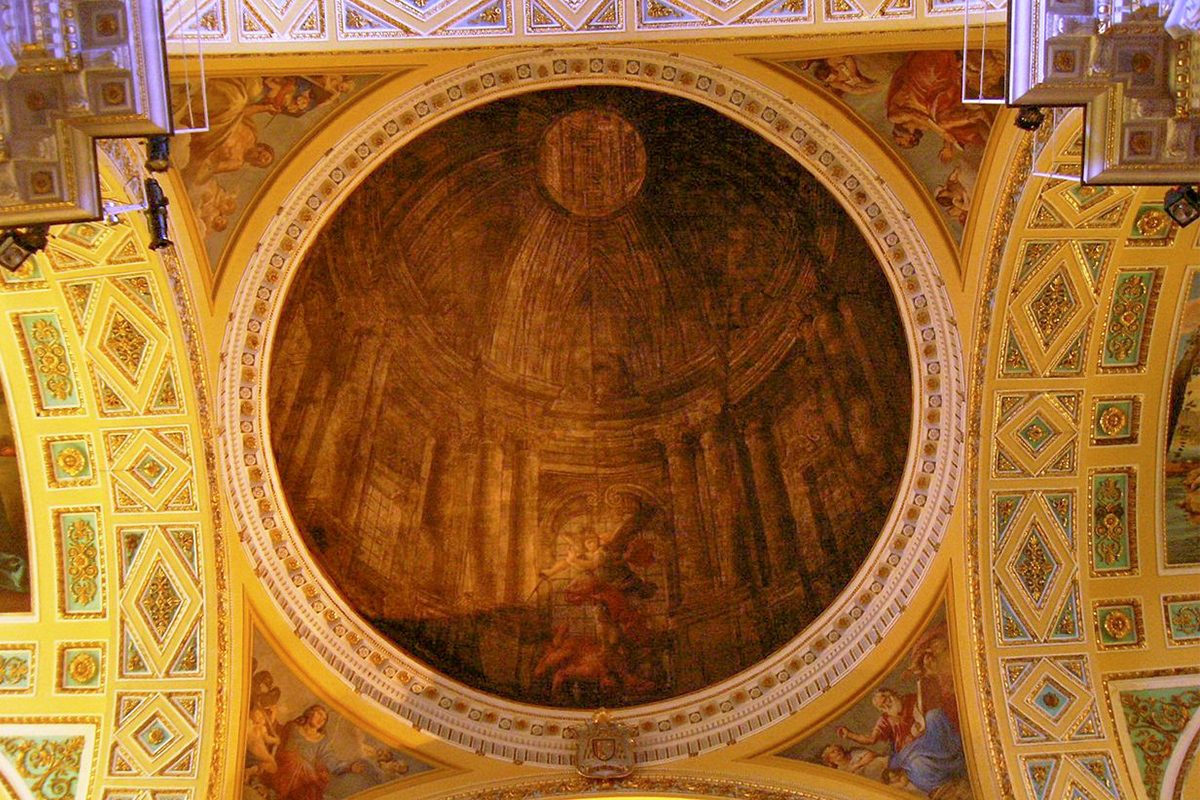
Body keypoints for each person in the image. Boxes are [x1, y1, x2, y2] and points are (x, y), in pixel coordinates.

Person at [271, 705, 365, 800]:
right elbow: (277, 734)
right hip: (283, 767)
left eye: (324, 719)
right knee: (294, 763)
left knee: (307, 779)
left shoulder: (322, 741)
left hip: (304, 776)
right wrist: (272, 717)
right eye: (319, 714)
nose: (321, 720)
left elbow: (330, 760)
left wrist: (349, 767)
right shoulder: (293, 727)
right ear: (310, 713)